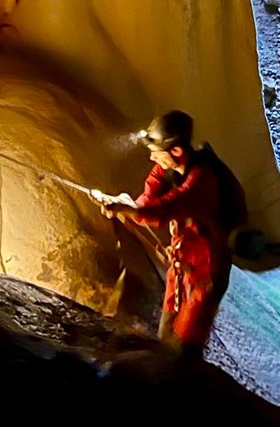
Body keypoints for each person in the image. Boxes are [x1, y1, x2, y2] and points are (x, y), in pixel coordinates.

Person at [100, 110, 245, 359]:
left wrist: (128, 209)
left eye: (157, 154)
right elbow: (149, 197)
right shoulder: (166, 168)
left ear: (176, 152)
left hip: (205, 274)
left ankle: (184, 382)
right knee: (166, 332)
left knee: (185, 344)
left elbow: (165, 209)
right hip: (181, 268)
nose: (152, 158)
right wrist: (126, 205)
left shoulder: (201, 180)